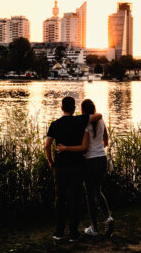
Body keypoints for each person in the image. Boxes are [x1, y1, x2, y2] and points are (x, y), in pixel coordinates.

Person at [45, 96, 102, 242]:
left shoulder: (55, 124)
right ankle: (73, 234)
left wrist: (51, 162)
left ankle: (59, 233)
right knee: (75, 199)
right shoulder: (79, 120)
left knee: (60, 199)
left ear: (61, 107)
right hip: (77, 166)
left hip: (60, 167)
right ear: (74, 108)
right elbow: (99, 115)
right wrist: (84, 116)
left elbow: (47, 145)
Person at [58, 99, 114, 237]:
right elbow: (106, 141)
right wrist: (98, 147)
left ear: (83, 110)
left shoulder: (86, 125)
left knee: (90, 194)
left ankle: (94, 228)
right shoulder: (101, 122)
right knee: (98, 190)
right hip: (102, 158)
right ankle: (108, 217)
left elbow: (85, 146)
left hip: (90, 161)